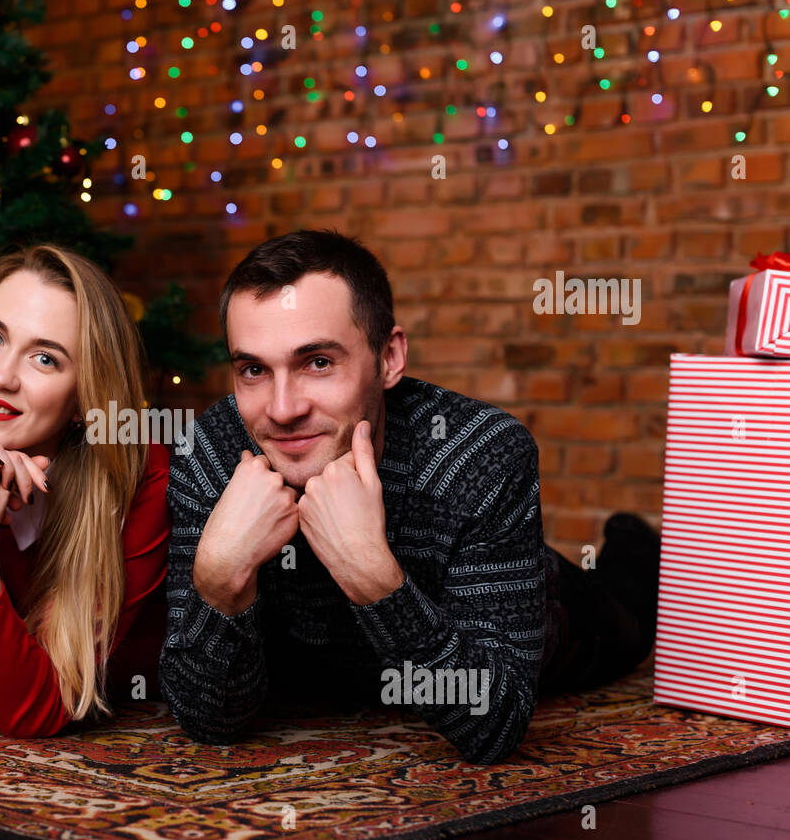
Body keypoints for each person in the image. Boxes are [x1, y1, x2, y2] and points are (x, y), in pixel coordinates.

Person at [161, 229, 661, 765]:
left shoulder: (481, 453)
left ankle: (634, 541)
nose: (282, 410)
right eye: (254, 370)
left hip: (555, 615)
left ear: (389, 358)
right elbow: (208, 719)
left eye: (318, 362)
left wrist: (373, 577)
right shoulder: (211, 454)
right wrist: (219, 583)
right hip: (334, 671)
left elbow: (496, 727)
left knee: (631, 603)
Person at [0, 244, 170, 737]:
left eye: (45, 358)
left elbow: (36, 714)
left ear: (86, 397)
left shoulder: (142, 477)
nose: (0, 377)